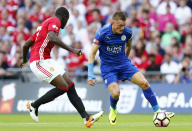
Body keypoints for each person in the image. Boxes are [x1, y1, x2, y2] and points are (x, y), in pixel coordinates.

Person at [20, 7, 103, 128]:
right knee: (63, 86)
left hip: (46, 60)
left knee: (69, 85)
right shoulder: (56, 21)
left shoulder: (43, 25)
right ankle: (34, 105)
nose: (65, 23)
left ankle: (86, 117)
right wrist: (72, 50)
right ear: (64, 17)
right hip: (39, 61)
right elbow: (52, 37)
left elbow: (26, 44)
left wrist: (24, 60)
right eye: (67, 19)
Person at [88, 11, 175, 126]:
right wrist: (90, 74)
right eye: (120, 26)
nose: (122, 28)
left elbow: (129, 45)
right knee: (115, 93)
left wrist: (126, 59)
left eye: (124, 25)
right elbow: (92, 54)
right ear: (113, 23)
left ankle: (158, 111)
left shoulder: (127, 32)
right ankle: (113, 108)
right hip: (109, 68)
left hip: (124, 65)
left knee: (144, 83)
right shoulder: (102, 33)